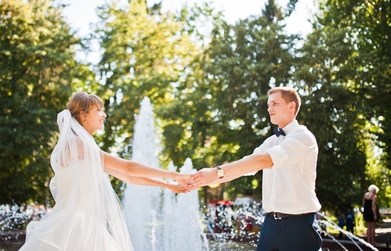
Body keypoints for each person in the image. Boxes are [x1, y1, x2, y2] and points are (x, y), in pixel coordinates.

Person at [20, 92, 190, 251]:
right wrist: (175, 175)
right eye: (99, 110)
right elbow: (128, 167)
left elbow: (127, 176)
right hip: (75, 225)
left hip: (83, 223)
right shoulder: (77, 144)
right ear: (83, 115)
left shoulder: (82, 146)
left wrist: (168, 185)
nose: (104, 115)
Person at [190, 87, 322, 251]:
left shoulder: (303, 137)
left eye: (275, 103)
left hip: (298, 226)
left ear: (291, 106)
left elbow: (264, 160)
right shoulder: (271, 141)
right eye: (268, 105)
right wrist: (203, 179)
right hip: (270, 225)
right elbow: (246, 166)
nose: (269, 109)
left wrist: (217, 171)